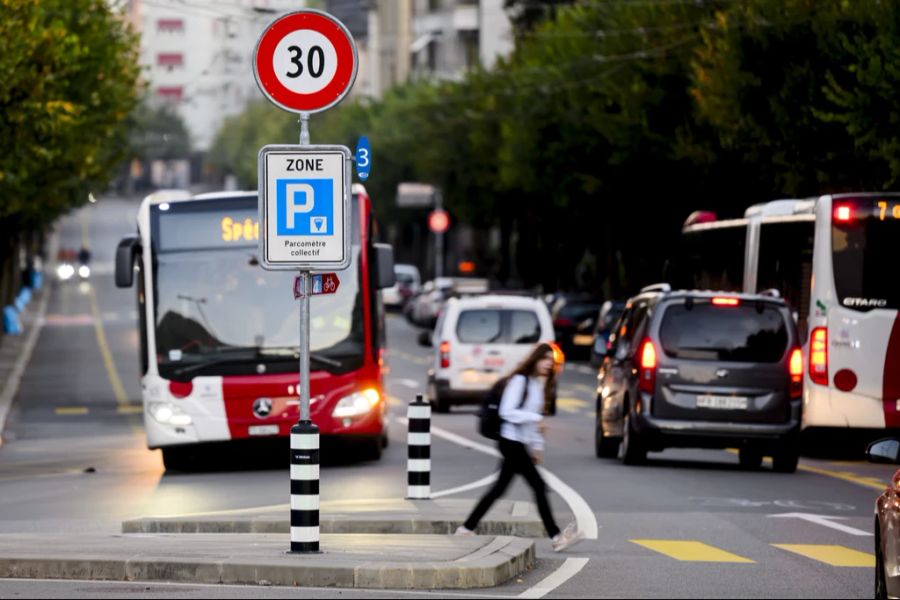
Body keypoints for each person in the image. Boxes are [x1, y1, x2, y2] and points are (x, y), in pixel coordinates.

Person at [456, 343, 584, 552]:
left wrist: (536, 447)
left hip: (519, 443)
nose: (548, 365)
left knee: (500, 488)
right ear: (535, 359)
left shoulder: (536, 385)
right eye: (545, 360)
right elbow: (507, 412)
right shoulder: (519, 381)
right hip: (509, 441)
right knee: (538, 486)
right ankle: (556, 536)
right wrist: (535, 419)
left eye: (551, 362)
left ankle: (466, 528)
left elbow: (533, 422)